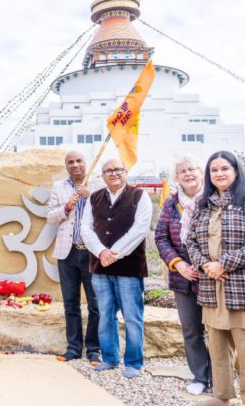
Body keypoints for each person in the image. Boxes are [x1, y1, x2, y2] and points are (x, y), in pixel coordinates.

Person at [186, 151, 245, 406]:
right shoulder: (203, 203)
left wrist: (223, 263)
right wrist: (205, 265)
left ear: (235, 171)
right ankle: (222, 397)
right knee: (218, 348)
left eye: (225, 168)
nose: (219, 174)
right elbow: (190, 241)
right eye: (214, 170)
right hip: (212, 288)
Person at [80, 158, 152, 379]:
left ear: (125, 172)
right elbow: (86, 228)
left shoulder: (140, 196)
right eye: (108, 171)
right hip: (100, 267)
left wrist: (115, 252)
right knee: (105, 315)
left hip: (129, 267)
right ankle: (110, 358)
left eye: (117, 169)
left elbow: (140, 229)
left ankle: (133, 362)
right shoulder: (94, 197)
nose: (113, 173)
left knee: (132, 316)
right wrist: (102, 252)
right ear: (102, 176)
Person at [154, 157, 211, 395]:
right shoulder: (171, 203)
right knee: (191, 329)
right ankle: (201, 376)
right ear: (177, 178)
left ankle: (221, 377)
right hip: (182, 278)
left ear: (200, 172)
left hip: (211, 275)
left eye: (191, 169)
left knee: (218, 330)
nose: (187, 174)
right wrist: (178, 265)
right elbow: (161, 237)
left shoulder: (213, 199)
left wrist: (203, 264)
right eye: (181, 171)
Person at [46, 151, 104, 365]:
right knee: (70, 303)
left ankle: (94, 349)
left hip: (91, 253)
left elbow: (107, 213)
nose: (75, 165)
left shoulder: (98, 185)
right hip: (67, 252)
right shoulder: (59, 187)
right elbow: (49, 217)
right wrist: (66, 207)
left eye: (79, 160)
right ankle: (73, 348)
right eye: (70, 162)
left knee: (95, 304)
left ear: (86, 162)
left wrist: (91, 197)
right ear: (66, 166)